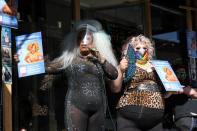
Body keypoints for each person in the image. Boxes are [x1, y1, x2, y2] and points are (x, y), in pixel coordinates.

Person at [45, 19, 118, 131]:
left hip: (99, 108)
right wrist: (23, 60)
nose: (83, 42)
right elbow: (48, 68)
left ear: (94, 41)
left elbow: (114, 74)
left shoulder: (101, 60)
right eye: (80, 38)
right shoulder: (69, 59)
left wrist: (101, 59)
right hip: (76, 107)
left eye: (87, 38)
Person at [111, 34, 166, 131]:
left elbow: (165, 94)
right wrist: (120, 69)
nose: (142, 50)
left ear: (148, 50)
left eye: (145, 48)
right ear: (132, 50)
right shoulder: (128, 64)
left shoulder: (156, 66)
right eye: (138, 48)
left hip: (155, 118)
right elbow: (115, 88)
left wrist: (171, 91)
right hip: (131, 113)